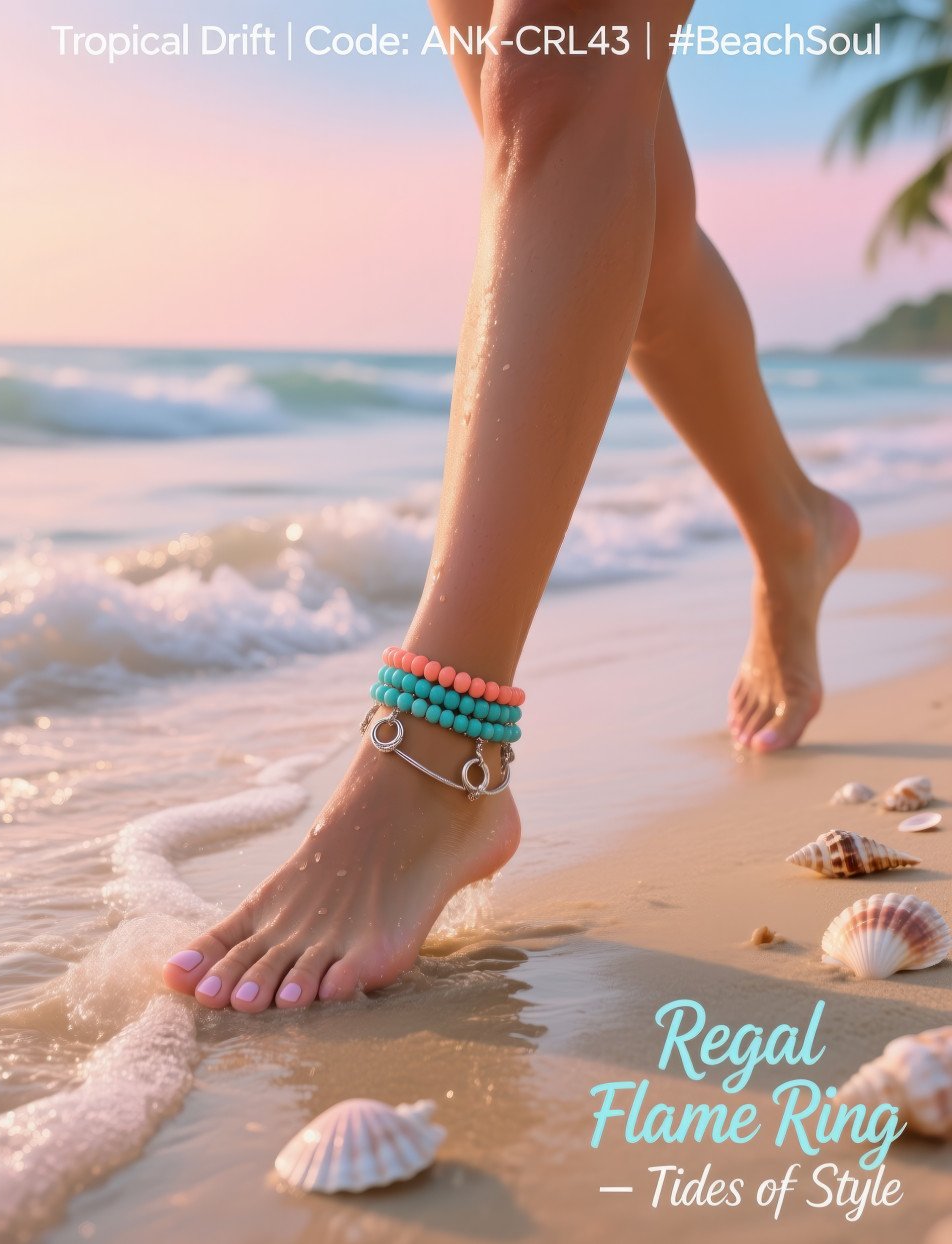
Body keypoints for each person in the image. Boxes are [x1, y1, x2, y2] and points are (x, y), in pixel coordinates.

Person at [162, 0, 859, 1012]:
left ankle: (439, 757)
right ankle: (790, 518)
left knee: (555, 79)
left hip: (437, 737)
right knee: (606, 180)